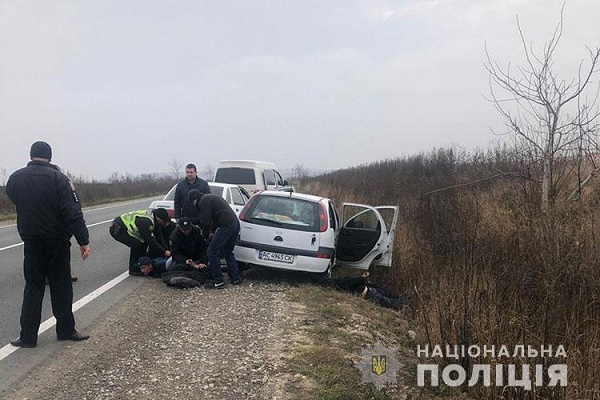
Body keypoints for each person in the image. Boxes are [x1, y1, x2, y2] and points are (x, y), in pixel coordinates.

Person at [6, 141, 91, 348]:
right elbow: (72, 212)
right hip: (57, 240)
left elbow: (13, 196)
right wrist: (83, 240)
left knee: (33, 287)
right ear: (50, 157)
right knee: (61, 285)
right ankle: (65, 330)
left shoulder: (16, 178)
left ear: (31, 155)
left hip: (31, 240)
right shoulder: (59, 179)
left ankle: (27, 337)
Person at [196, 193, 242, 289]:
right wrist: (213, 231)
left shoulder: (203, 201)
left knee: (212, 252)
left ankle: (218, 281)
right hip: (235, 224)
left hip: (226, 226)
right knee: (228, 251)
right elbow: (217, 216)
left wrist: (204, 236)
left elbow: (206, 222)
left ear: (194, 199)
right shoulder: (213, 197)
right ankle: (236, 278)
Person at [109, 208, 172, 275]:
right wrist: (163, 251)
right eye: (162, 221)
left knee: (142, 243)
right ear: (157, 217)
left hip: (125, 229)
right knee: (137, 244)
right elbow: (150, 241)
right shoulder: (146, 222)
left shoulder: (154, 221)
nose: (162, 223)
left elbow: (159, 237)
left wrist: (166, 249)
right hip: (118, 230)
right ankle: (134, 269)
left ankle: (141, 264)